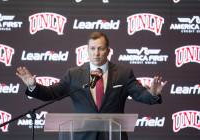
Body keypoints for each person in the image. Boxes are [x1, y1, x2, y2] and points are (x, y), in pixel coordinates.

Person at [16, 31, 167, 140]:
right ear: (87, 50)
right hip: (83, 137)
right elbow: (51, 93)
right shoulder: (74, 74)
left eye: (100, 48)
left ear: (108, 50)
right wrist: (33, 86)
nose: (96, 53)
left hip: (113, 136)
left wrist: (153, 93)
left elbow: (140, 94)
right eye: (92, 49)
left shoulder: (123, 73)